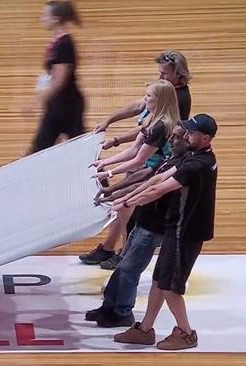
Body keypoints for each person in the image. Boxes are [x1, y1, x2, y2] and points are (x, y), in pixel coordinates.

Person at [112, 114, 218, 350]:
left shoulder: (196, 165)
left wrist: (127, 203)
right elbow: (158, 176)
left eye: (191, 133)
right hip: (176, 230)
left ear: (206, 138)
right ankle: (145, 329)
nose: (185, 135)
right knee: (159, 282)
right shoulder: (196, 156)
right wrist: (126, 197)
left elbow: (159, 189)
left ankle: (186, 333)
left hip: (185, 233)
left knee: (170, 287)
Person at [79, 50, 192, 267]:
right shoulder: (162, 94)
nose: (160, 77)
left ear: (178, 75)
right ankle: (110, 248)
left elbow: (144, 148)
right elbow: (142, 125)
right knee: (123, 207)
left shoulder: (176, 100)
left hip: (153, 164)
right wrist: (112, 126)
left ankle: (124, 253)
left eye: (164, 74)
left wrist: (110, 170)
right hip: (146, 157)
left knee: (126, 206)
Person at [85, 125, 189, 328]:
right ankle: (110, 306)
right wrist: (114, 191)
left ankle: (122, 312)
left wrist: (124, 201)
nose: (172, 140)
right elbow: (143, 176)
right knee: (124, 264)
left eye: (177, 137)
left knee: (129, 269)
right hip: (144, 220)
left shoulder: (183, 165)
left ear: (187, 140)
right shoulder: (169, 159)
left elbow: (153, 187)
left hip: (156, 227)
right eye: (172, 136)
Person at [29, 1, 84, 153]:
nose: (42, 18)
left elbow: (59, 81)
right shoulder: (59, 42)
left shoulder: (64, 44)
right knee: (42, 147)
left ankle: (99, 175)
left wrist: (37, 101)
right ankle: (99, 175)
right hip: (62, 104)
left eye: (45, 15)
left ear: (56, 19)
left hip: (66, 105)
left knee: (39, 149)